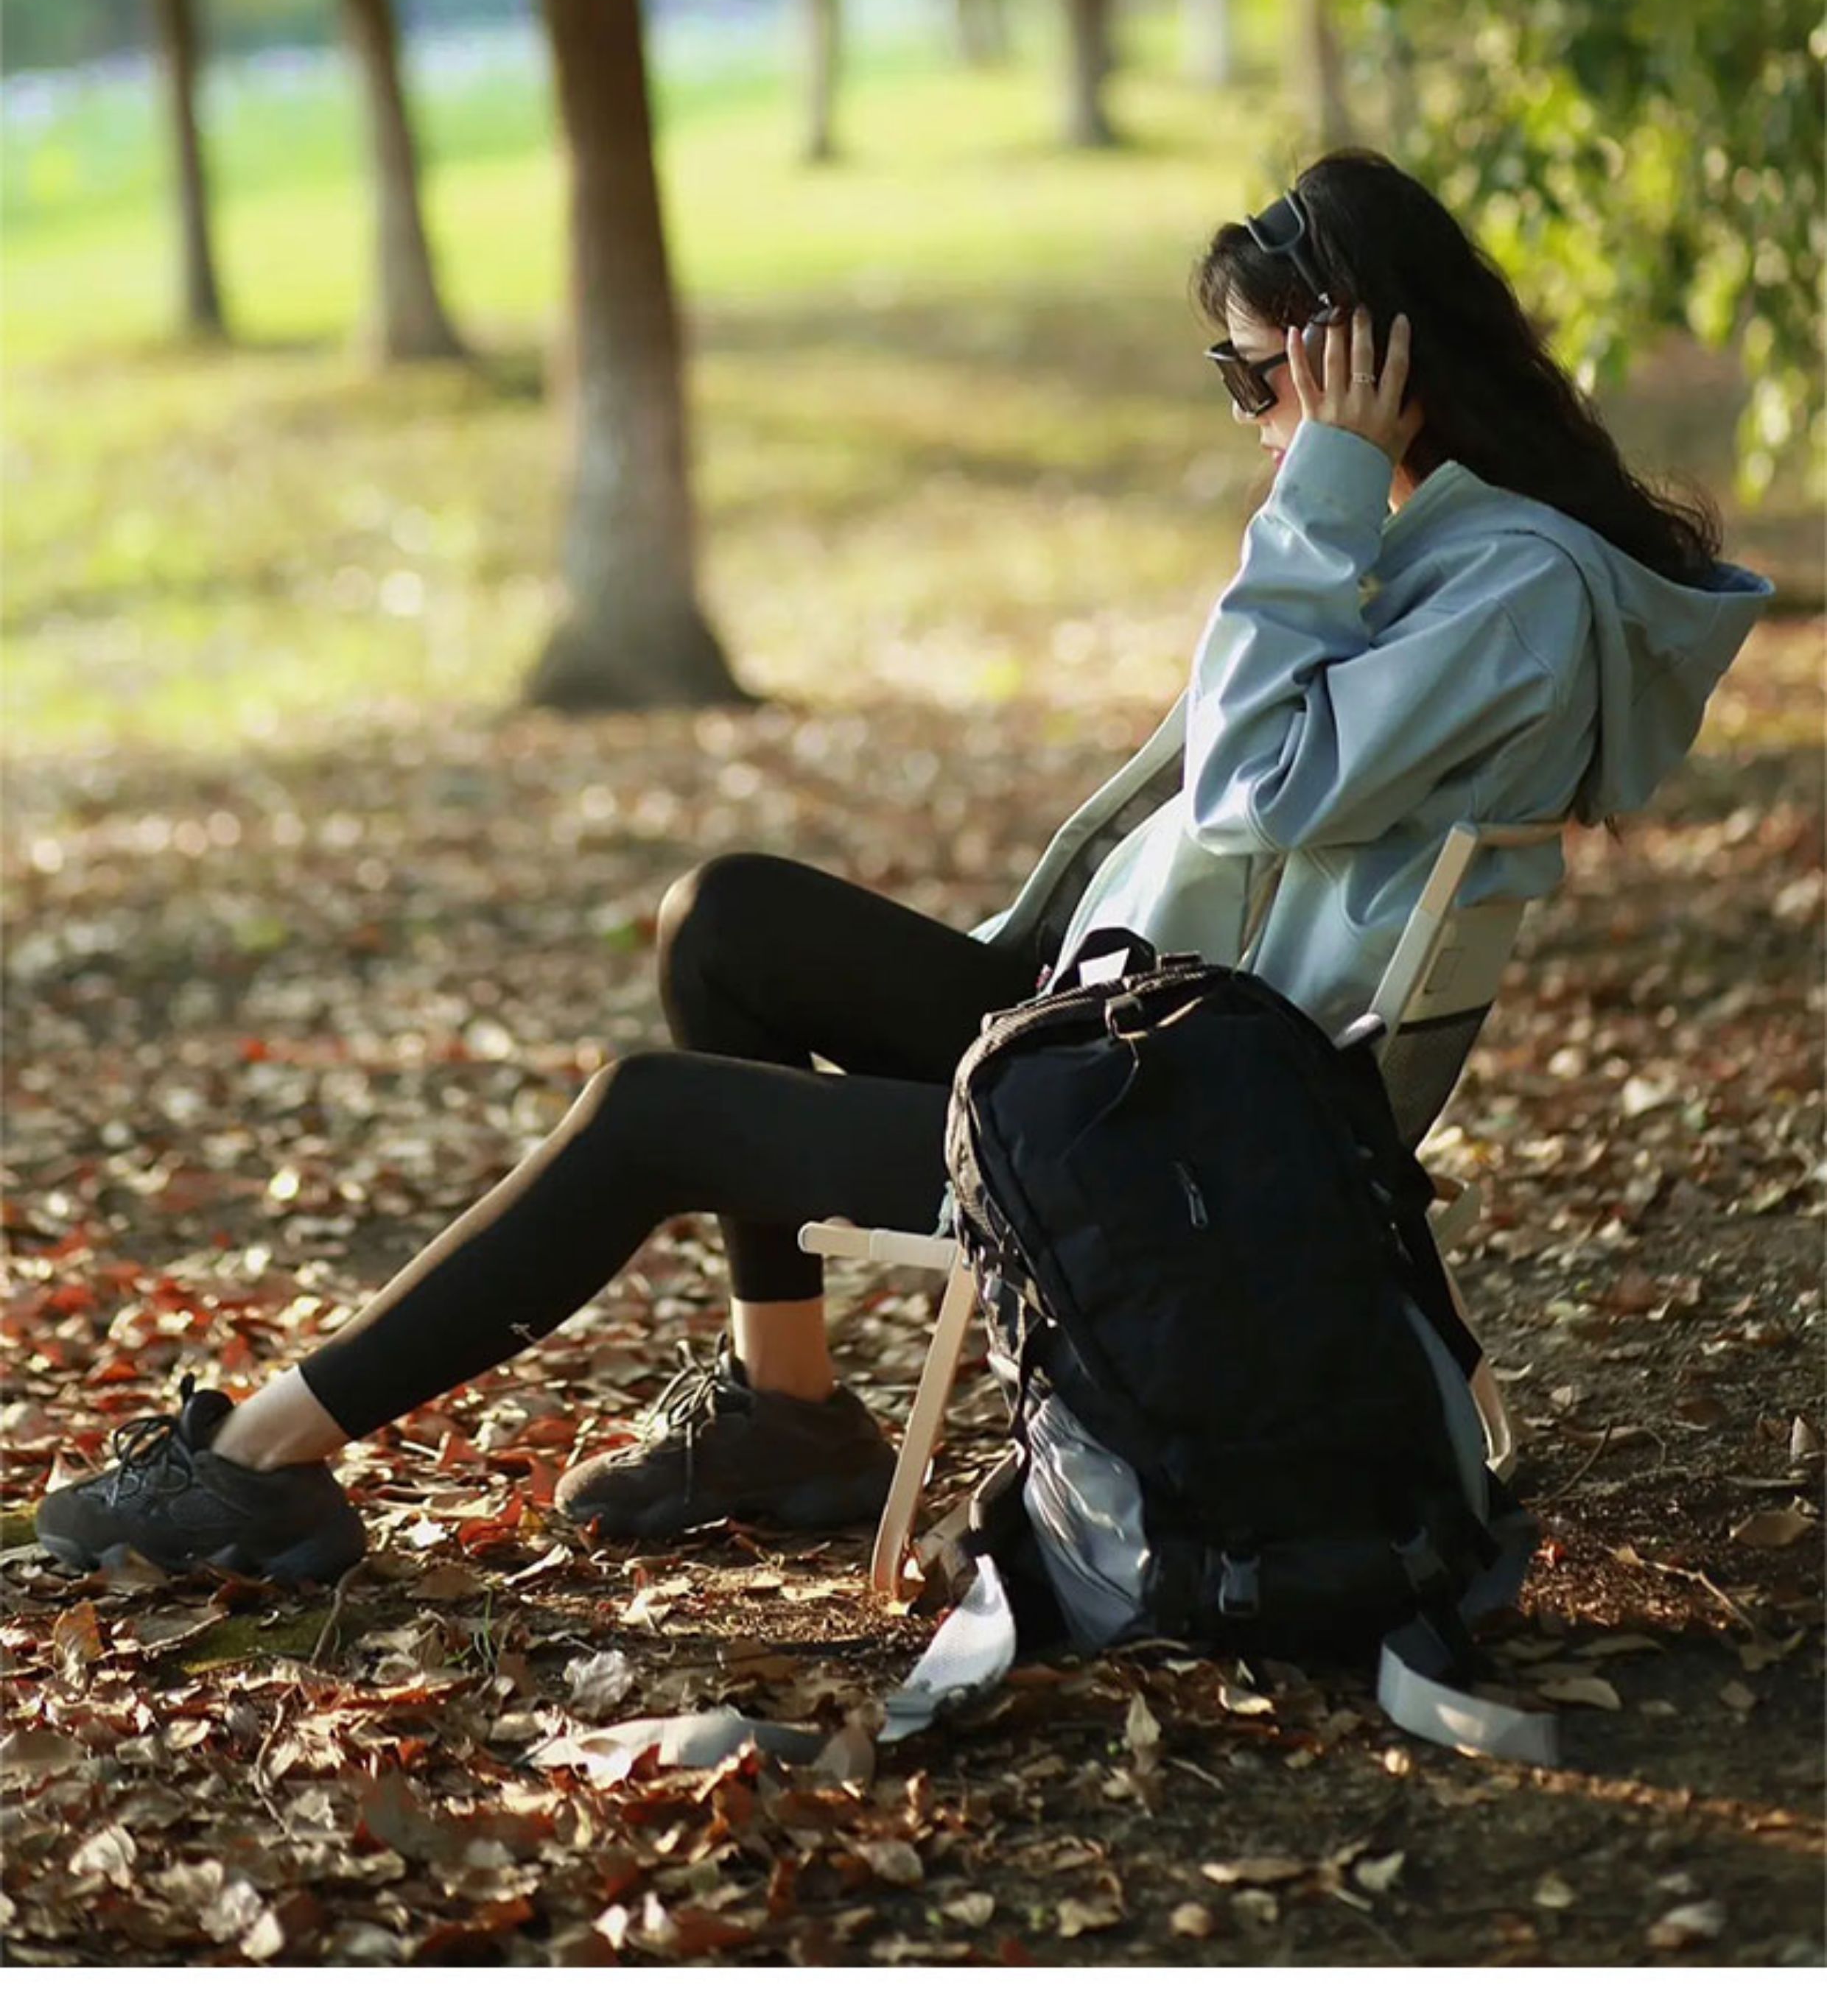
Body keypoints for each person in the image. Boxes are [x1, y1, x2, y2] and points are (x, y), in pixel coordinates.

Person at [35, 150, 1771, 1586]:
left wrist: (1316, 491)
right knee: (726, 915)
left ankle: (261, 1453)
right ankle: (790, 1414)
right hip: (1125, 1033)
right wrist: (1326, 494)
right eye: (1236, 381)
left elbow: (1253, 782)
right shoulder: (1453, 547)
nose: (1252, 419)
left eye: (1262, 379)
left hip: (1172, 1125)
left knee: (648, 1111)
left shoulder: (1509, 590)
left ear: (1369, 359)